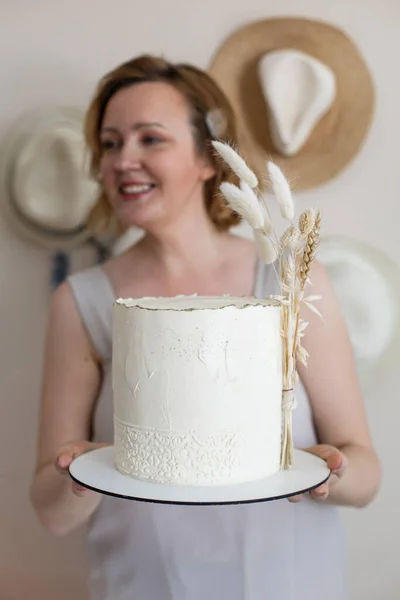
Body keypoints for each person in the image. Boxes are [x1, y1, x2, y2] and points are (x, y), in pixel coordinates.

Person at [30, 54, 381, 600]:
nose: (124, 159)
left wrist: (329, 472)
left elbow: (365, 473)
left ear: (207, 158)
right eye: (111, 142)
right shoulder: (85, 302)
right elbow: (51, 512)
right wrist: (78, 473)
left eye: (151, 139)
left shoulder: (287, 282)